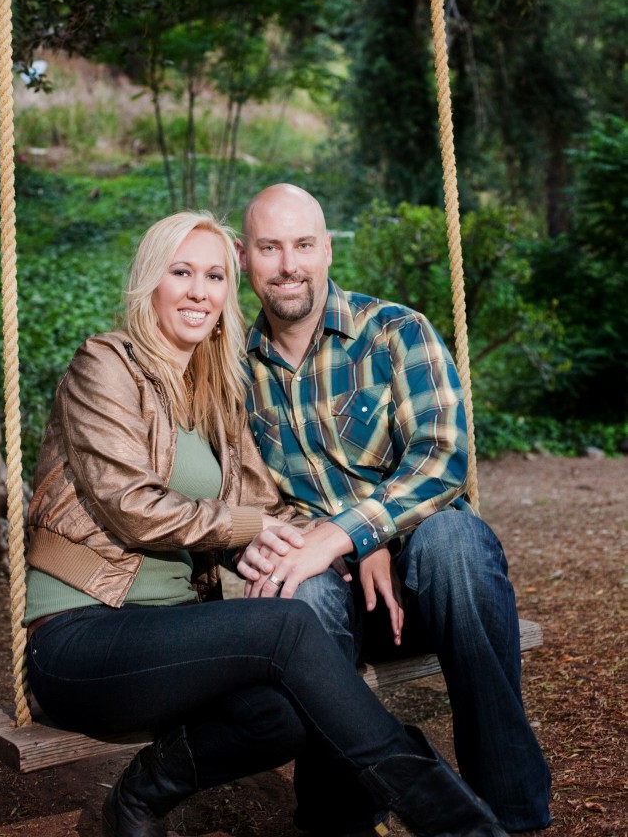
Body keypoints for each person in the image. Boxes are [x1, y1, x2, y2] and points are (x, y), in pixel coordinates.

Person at [23, 209, 509, 837]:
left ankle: (141, 796)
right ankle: (457, 822)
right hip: (83, 632)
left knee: (290, 712)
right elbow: (131, 502)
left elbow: (269, 507)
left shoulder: (216, 393)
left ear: (231, 290)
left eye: (215, 276)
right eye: (182, 272)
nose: (199, 291)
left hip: (173, 633)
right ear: (151, 281)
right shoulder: (104, 367)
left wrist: (357, 542)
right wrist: (248, 531)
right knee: (287, 626)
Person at [237, 184, 553, 837]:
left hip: (429, 586)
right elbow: (248, 499)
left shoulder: (395, 332)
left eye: (302, 245)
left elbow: (442, 461)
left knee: (453, 542)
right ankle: (339, 818)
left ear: (327, 250)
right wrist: (340, 546)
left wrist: (351, 533)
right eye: (270, 248)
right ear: (246, 259)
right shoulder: (235, 371)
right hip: (330, 588)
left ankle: (513, 815)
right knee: (302, 597)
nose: (288, 264)